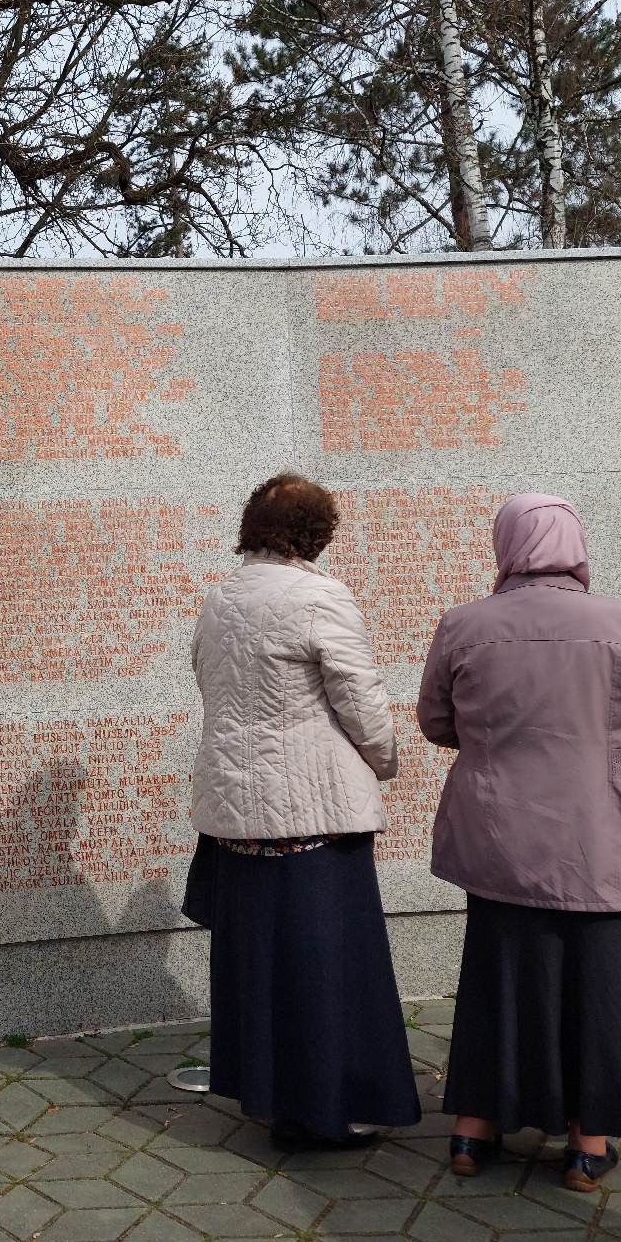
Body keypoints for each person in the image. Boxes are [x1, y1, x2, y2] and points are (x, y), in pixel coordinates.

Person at [418, 493, 621, 1192]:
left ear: (506, 545)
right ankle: (585, 1142)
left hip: (499, 838)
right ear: (574, 544)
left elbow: (436, 722)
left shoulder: (464, 625)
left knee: (497, 975)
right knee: (600, 981)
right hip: (601, 836)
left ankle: (474, 1130)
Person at [189, 472, 423, 1149]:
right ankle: (337, 1109)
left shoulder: (219, 599)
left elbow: (207, 680)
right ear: (316, 533)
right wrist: (385, 759)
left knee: (262, 966)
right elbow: (359, 697)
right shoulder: (321, 597)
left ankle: (273, 1100)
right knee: (329, 965)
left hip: (236, 815)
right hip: (313, 811)